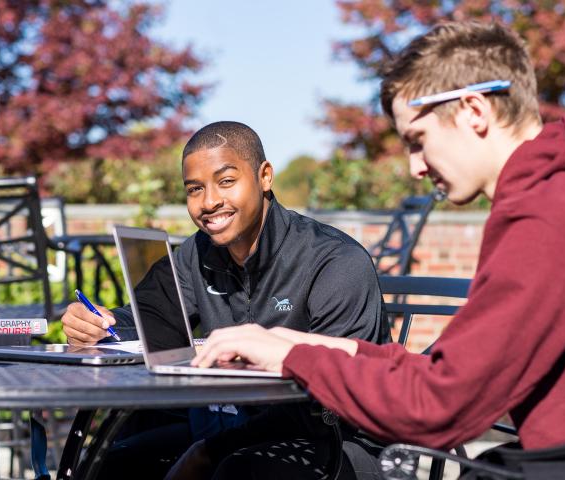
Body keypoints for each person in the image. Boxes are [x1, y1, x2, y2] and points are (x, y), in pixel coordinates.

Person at [191, 21, 565, 479]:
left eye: (418, 141)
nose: (414, 167)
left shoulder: (545, 217)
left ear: (474, 110)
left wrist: (291, 359)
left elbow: (437, 405)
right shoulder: (547, 198)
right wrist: (299, 342)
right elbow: (444, 371)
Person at [62, 121, 391, 478]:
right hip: (233, 426)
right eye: (194, 189)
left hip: (336, 440)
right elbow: (148, 321)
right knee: (118, 461)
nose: (209, 202)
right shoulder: (195, 255)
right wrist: (98, 325)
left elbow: (332, 398)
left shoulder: (334, 261)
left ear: (265, 177)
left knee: (236, 471)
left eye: (226, 181)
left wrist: (211, 451)